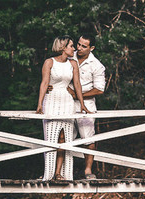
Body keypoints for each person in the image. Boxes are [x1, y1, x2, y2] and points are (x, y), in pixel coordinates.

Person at [36, 35, 85, 182]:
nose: (74, 48)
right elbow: (44, 83)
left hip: (66, 101)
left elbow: (77, 84)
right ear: (63, 47)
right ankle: (49, 173)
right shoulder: (49, 62)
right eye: (71, 46)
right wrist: (39, 104)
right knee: (51, 137)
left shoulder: (73, 64)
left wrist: (82, 104)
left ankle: (59, 172)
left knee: (64, 138)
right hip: (51, 100)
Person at [74, 35, 107, 180]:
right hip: (64, 101)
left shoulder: (97, 65)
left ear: (91, 48)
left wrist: (78, 96)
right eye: (78, 44)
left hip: (86, 104)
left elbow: (99, 89)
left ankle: (88, 170)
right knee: (62, 137)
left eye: (84, 46)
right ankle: (59, 172)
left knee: (88, 138)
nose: (79, 48)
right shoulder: (69, 56)